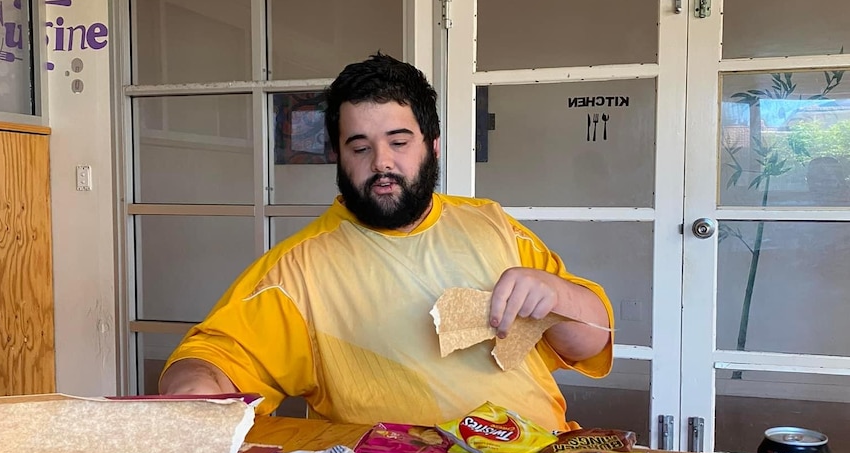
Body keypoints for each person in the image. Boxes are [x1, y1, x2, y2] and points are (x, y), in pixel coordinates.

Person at [159, 53, 613, 432]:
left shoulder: (493, 224)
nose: (381, 163)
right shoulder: (295, 271)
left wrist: (555, 295)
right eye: (359, 147)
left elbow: (589, 343)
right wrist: (195, 386)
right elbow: (212, 360)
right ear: (337, 155)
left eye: (399, 142)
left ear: (432, 146)